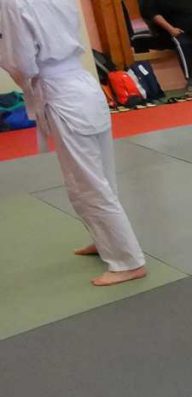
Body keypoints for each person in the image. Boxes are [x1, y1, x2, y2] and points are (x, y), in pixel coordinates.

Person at [0, 0, 148, 287]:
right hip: (83, 85)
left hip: (61, 92)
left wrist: (15, 72)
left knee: (86, 183)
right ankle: (105, 241)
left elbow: (21, 61)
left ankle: (128, 261)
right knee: (101, 176)